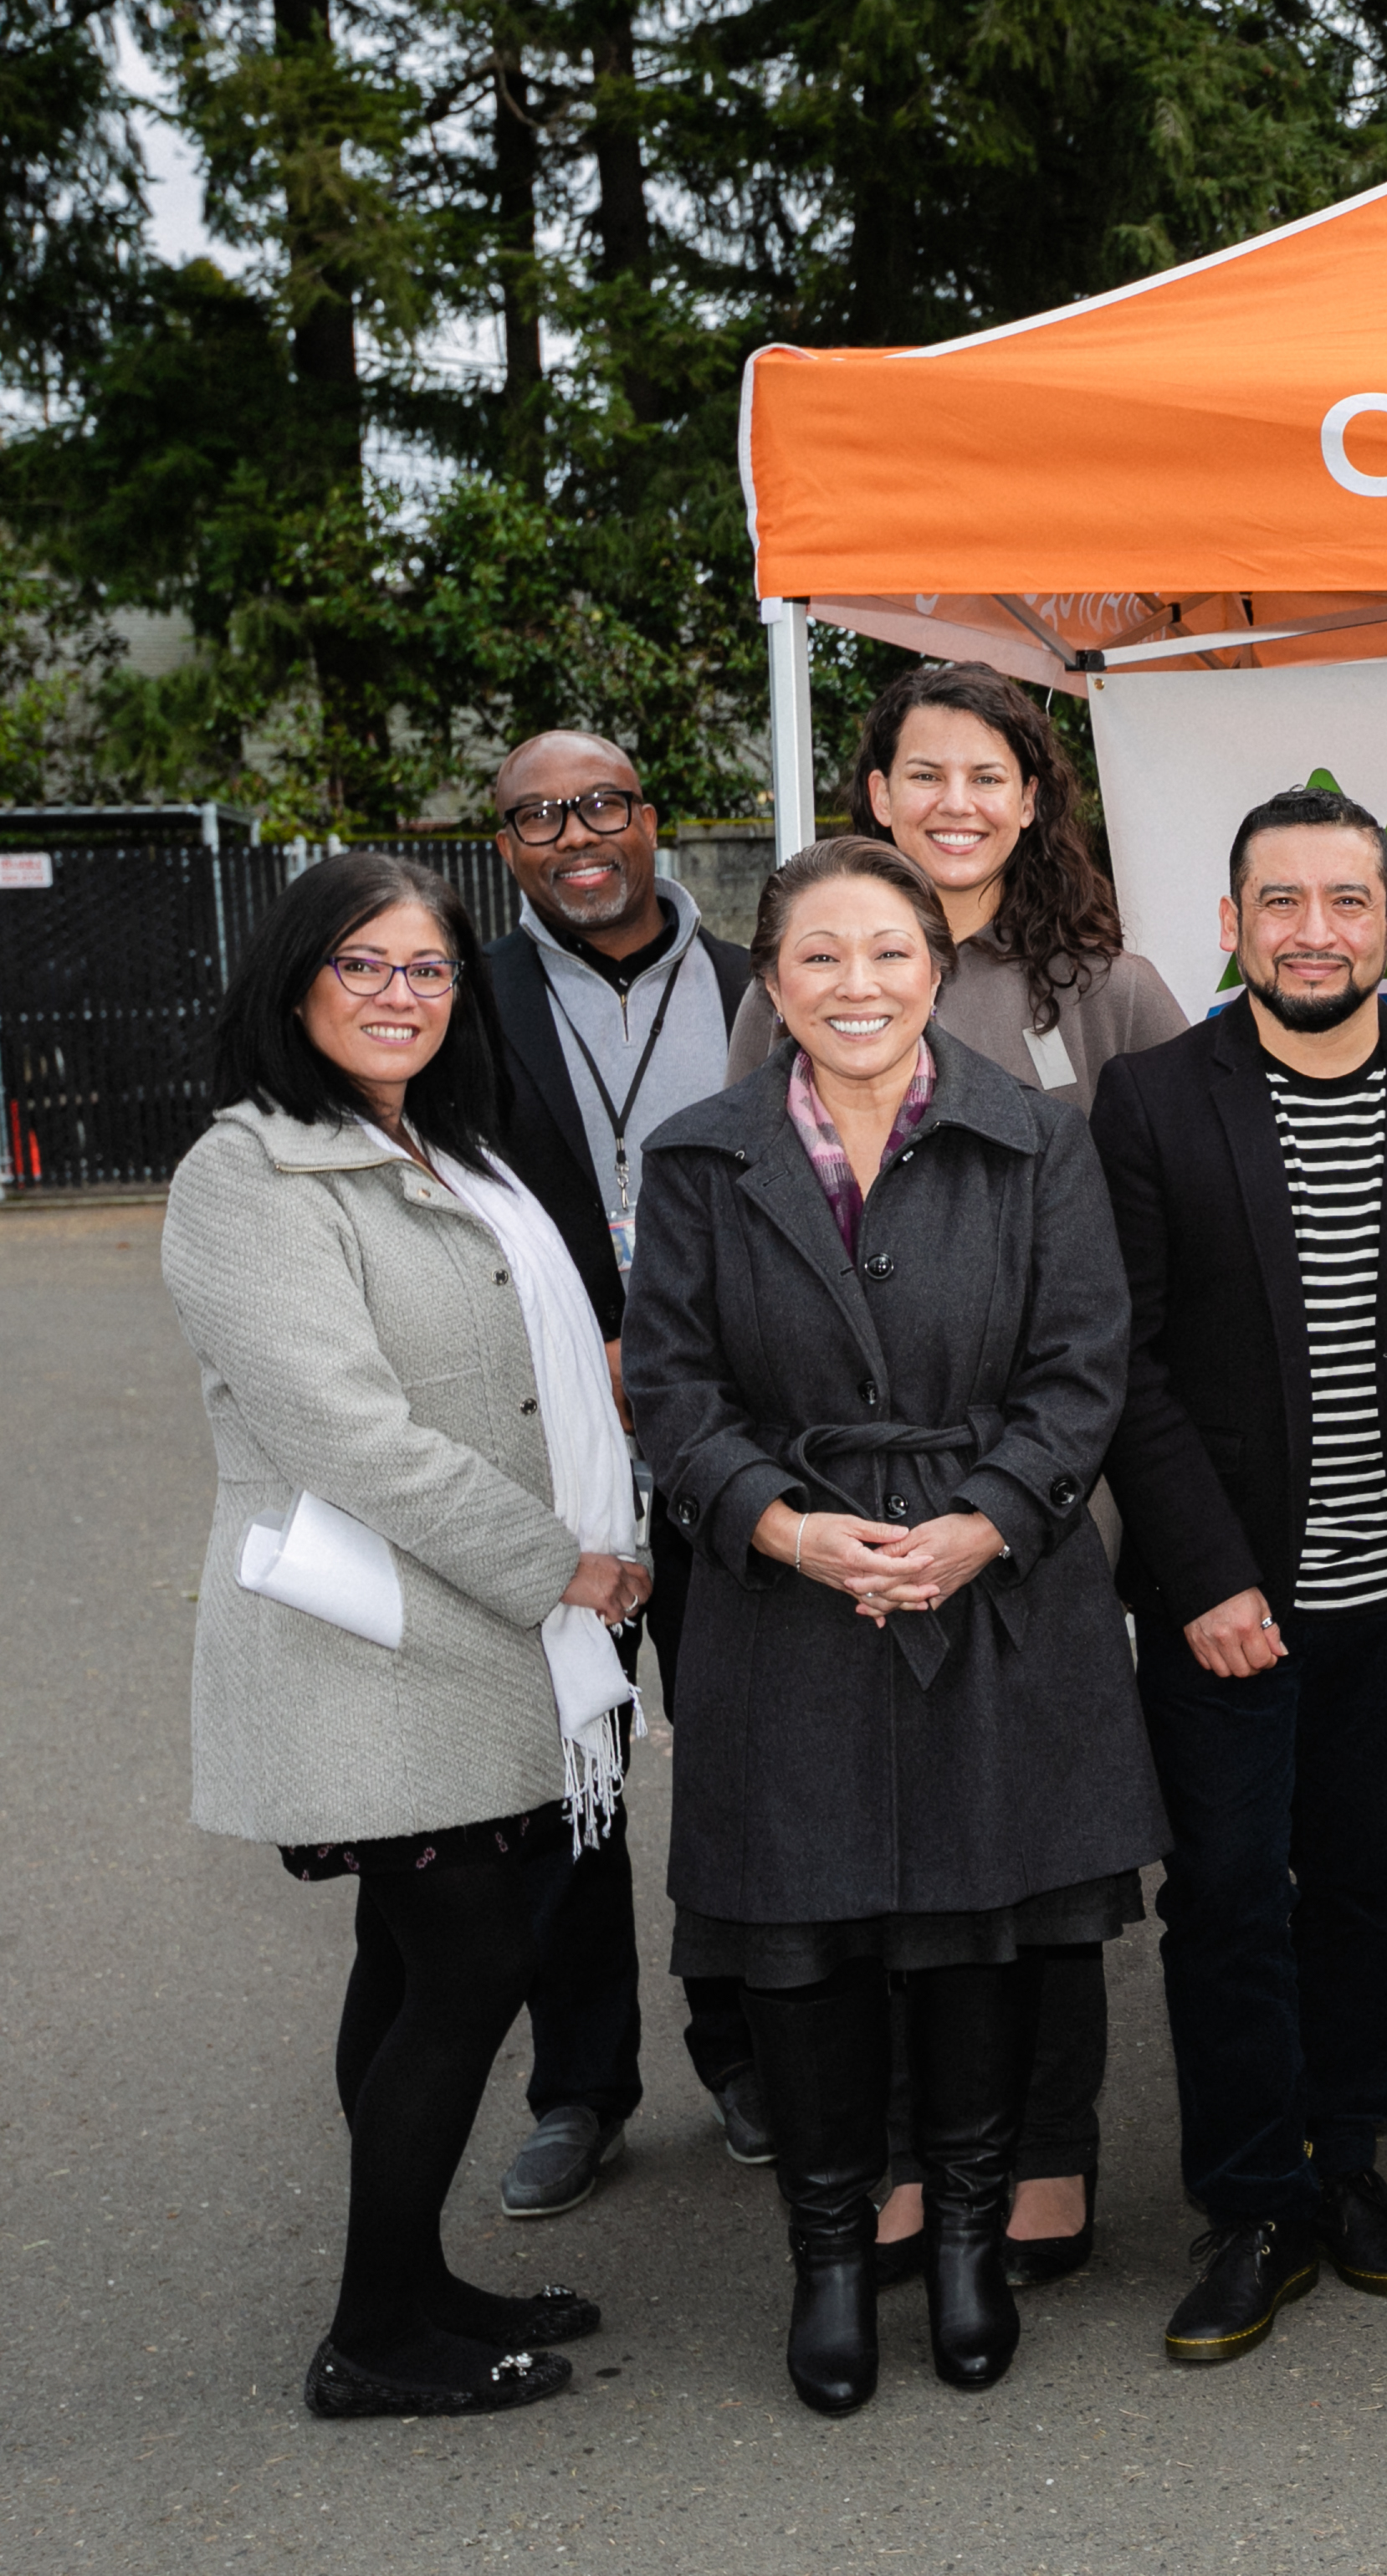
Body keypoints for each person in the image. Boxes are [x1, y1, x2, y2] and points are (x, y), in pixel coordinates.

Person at [630, 837, 1166, 2416]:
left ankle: (968, 2250)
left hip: (997, 1584)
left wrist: (985, 1521)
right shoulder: (700, 1158)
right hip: (785, 1599)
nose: (856, 985)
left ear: (939, 968)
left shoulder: (1032, 1143)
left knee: (982, 1932)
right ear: (773, 984)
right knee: (799, 1947)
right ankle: (827, 2257)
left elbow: (1086, 1365)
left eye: (886, 954)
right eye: (818, 957)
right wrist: (787, 1530)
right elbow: (668, 1387)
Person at [166, 853, 651, 2420]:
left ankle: (408, 2276)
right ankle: (375, 2332)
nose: (399, 995)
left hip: (468, 1635)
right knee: (462, 1967)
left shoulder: (446, 1149)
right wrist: (564, 1566)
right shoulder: (249, 1171)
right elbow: (343, 1430)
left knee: (412, 1960)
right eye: (363, 966)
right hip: (373, 1630)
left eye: (428, 969)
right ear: (297, 983)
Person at [724, 658, 1185, 2284]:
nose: (956, 806)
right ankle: (909, 2164)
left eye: (988, 776)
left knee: (1041, 1853)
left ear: (1037, 798)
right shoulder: (801, 977)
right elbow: (748, 1244)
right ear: (875, 794)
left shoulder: (1104, 988)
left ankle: (1045, 2154)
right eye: (925, 775)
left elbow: (1157, 1246)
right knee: (880, 1856)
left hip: (1057, 1493)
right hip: (851, 1510)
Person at [1092, 786, 1387, 2365]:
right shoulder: (1152, 1098)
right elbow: (1128, 1360)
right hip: (1229, 1598)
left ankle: (1350, 2169)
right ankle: (1250, 2199)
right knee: (1231, 1900)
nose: (1315, 931)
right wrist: (1204, 1577)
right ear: (1231, 925)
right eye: (1280, 902)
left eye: (1345, 901)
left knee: (1366, 1889)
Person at [472, 730, 765, 2220]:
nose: (574, 837)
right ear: (507, 844)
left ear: (651, 819)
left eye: (598, 806)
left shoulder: (760, 981)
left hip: (733, 1432)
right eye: (536, 818)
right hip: (561, 1447)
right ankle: (580, 2086)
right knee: (573, 1778)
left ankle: (746, 2049)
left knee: (736, 1754)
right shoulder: (466, 996)